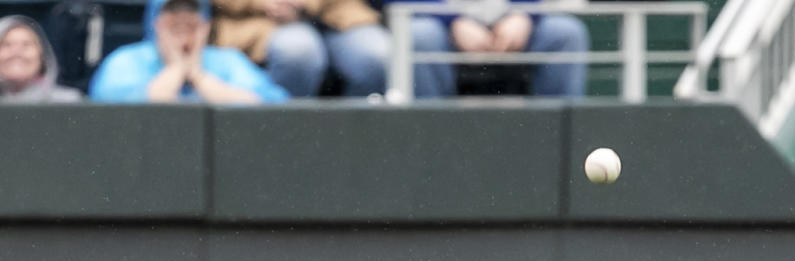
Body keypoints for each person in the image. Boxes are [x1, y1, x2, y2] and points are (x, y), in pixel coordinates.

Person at [88, 0, 289, 103]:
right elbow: (112, 110)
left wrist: (198, 76)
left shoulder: (227, 60)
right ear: (155, 21)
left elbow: (267, 106)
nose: (183, 17)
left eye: (191, 9)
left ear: (205, 23)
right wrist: (176, 68)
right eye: (173, 10)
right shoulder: (127, 59)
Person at [410, 0, 588, 100]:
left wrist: (524, 14)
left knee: (566, 33)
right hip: (442, 27)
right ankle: (432, 136)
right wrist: (453, 21)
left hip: (515, 25)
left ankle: (558, 137)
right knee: (420, 36)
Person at [211, 0, 390, 98]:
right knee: (298, 51)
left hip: (341, 15)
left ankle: (358, 134)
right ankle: (289, 135)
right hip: (262, 21)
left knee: (379, 54)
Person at [0, 16, 82, 102]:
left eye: (26, 45)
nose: (16, 52)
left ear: (42, 55)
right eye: (7, 45)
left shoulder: (67, 102)